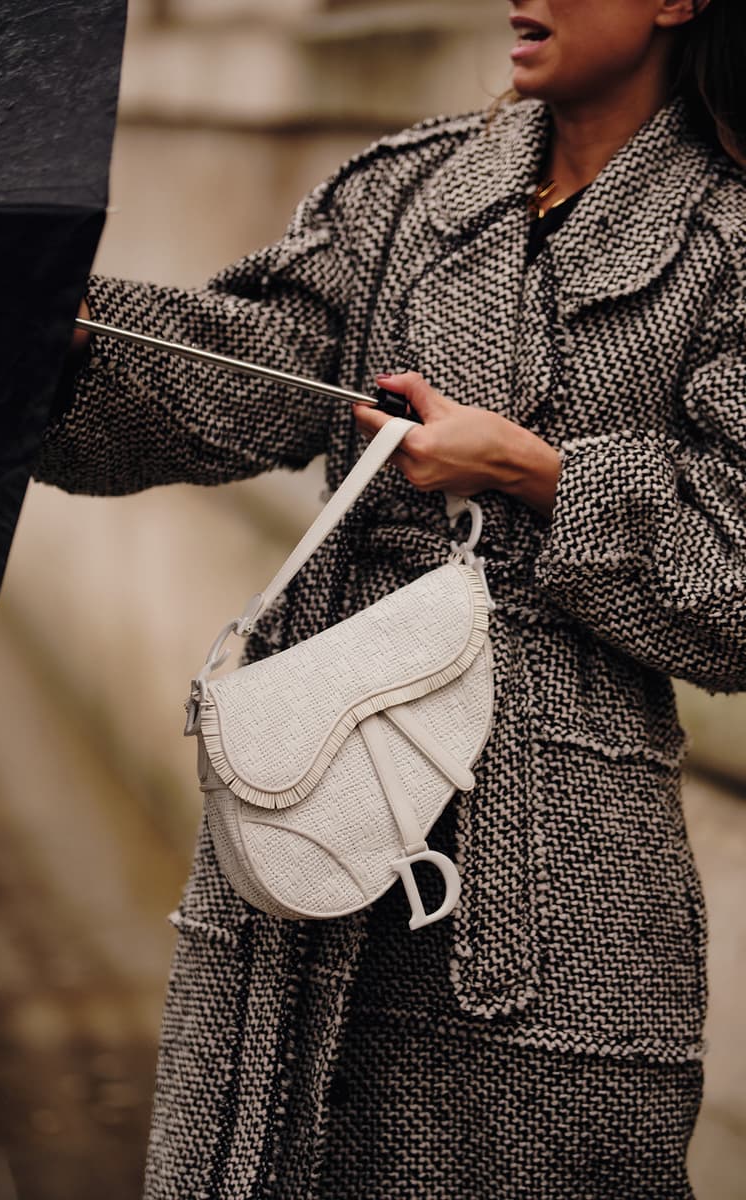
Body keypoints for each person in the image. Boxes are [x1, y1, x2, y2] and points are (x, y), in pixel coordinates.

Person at [44, 1, 746, 1196]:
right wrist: (52, 335)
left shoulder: (726, 239)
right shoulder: (407, 195)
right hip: (306, 801)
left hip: (557, 881)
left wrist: (526, 468)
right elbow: (242, 370)